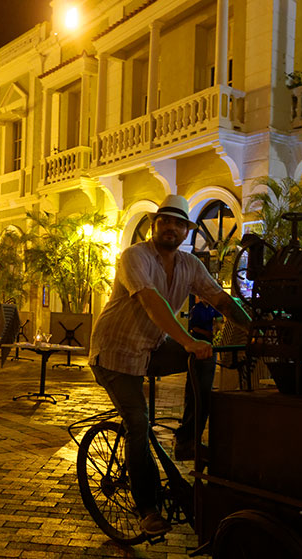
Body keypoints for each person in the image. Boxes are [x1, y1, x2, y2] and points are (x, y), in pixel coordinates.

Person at [88, 194, 251, 537]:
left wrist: (257, 330)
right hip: (114, 353)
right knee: (138, 423)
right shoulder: (135, 256)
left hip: (150, 349)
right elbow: (151, 302)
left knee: (204, 355)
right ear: (154, 225)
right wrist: (187, 339)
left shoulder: (190, 264)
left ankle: (187, 440)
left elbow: (220, 299)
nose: (172, 228)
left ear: (187, 231)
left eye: (179, 224)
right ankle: (148, 510)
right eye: (166, 221)